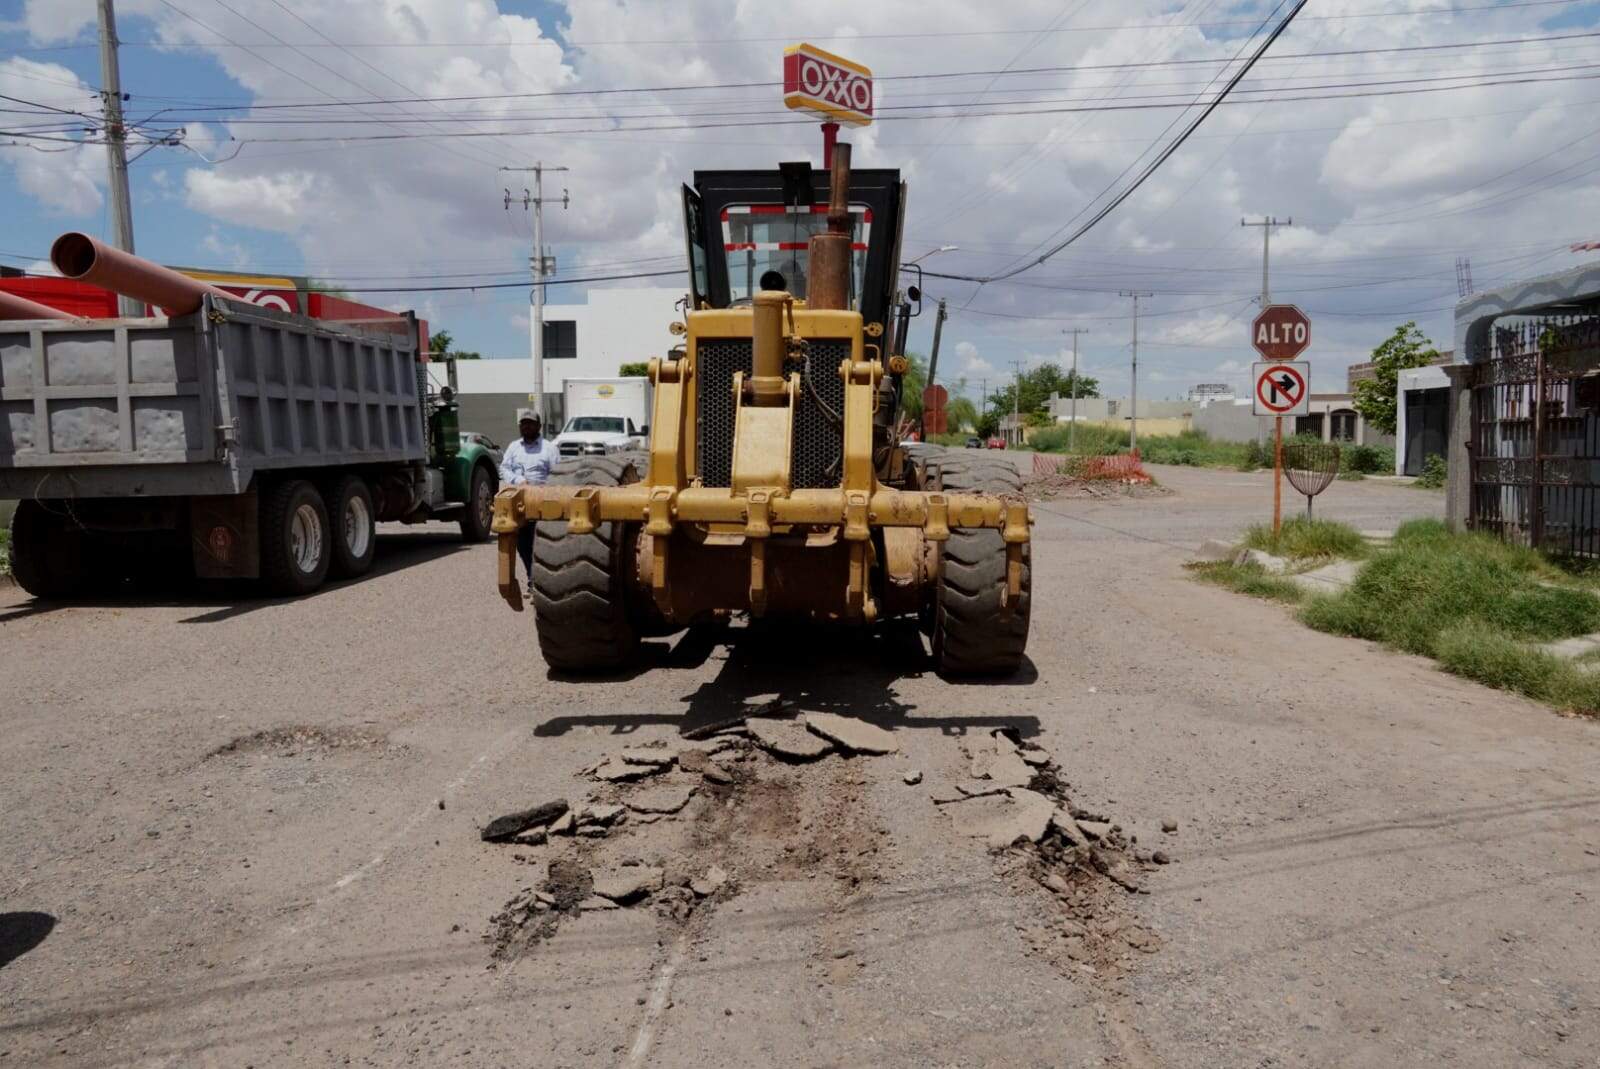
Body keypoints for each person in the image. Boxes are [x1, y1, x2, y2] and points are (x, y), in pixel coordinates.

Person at [499, 408, 561, 592]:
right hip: (521, 504)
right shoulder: (514, 447)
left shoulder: (549, 448)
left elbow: (558, 474)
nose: (526, 426)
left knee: (543, 544)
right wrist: (518, 480)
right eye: (523, 423)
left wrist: (545, 490)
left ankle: (545, 580)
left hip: (544, 503)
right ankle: (532, 579)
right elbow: (504, 469)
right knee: (523, 544)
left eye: (530, 424)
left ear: (539, 426)